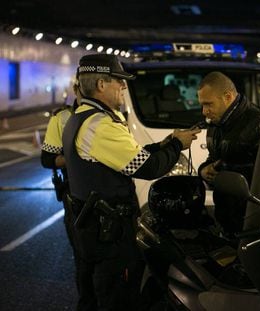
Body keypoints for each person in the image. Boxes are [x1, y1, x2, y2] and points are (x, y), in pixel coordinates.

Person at [62, 53, 200, 311]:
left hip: (90, 225)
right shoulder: (101, 125)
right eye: (119, 81)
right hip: (110, 233)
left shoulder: (81, 116)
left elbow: (126, 156)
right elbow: (148, 167)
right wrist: (177, 146)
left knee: (92, 293)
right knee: (118, 297)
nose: (124, 86)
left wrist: (165, 143)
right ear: (102, 85)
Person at [197, 71, 260, 236]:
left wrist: (225, 173)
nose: (204, 111)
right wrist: (203, 170)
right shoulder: (216, 124)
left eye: (208, 104)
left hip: (252, 223)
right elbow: (214, 158)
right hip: (227, 219)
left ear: (228, 97)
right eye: (202, 105)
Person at [41, 74, 81, 257]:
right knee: (83, 255)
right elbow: (47, 159)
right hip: (74, 192)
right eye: (82, 88)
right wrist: (77, 157)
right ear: (76, 89)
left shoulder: (113, 115)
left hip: (110, 191)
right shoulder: (63, 117)